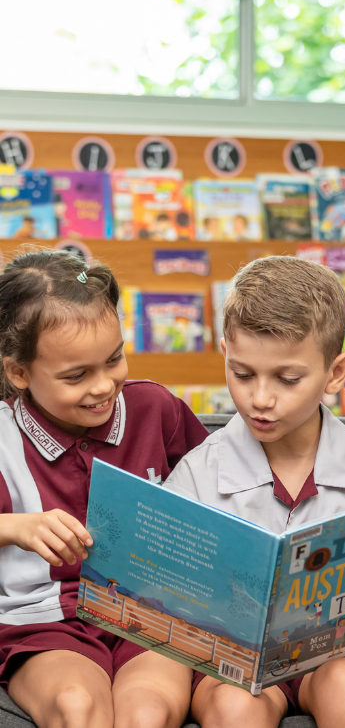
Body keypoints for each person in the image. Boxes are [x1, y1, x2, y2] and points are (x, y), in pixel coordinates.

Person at [162, 256, 345, 728]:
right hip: (235, 664)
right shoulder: (197, 473)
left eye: (287, 379)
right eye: (242, 373)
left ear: (335, 373)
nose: (260, 398)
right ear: (225, 355)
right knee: (234, 702)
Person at [0, 250, 208, 728]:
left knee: (148, 712)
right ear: (19, 373)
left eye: (113, 359)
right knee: (77, 707)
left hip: (152, 609)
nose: (103, 387)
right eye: (76, 376)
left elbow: (219, 492)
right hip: (45, 620)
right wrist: (16, 526)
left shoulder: (156, 408)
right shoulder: (5, 438)